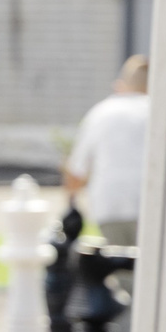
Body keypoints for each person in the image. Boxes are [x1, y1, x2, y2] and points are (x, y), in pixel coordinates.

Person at [63, 54, 150, 247]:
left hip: (109, 204)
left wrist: (70, 207)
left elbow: (76, 170)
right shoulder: (157, 111)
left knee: (120, 266)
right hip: (150, 204)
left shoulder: (101, 112)